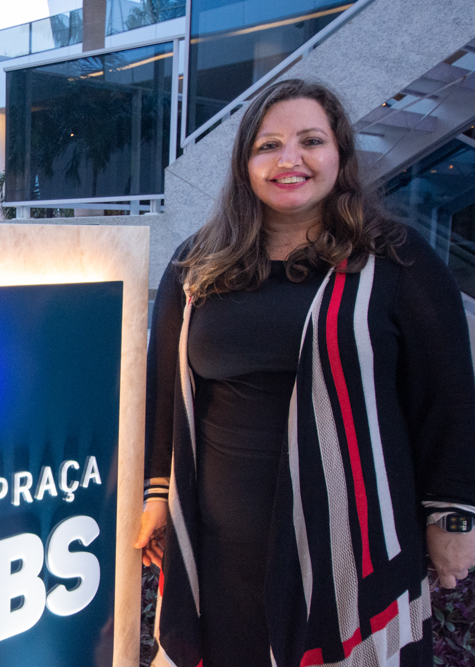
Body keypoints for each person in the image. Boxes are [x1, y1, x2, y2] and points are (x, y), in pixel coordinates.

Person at [134, 79, 475, 667]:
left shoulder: (396, 260)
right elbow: (163, 388)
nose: (288, 160)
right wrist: (156, 496)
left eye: (311, 141)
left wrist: (453, 519)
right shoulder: (197, 264)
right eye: (268, 146)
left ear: (340, 153)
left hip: (355, 554)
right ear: (244, 164)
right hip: (221, 557)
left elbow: (449, 398)